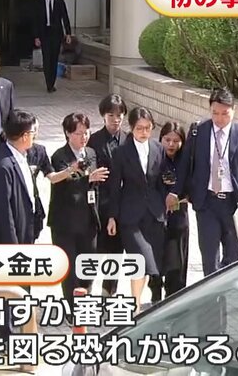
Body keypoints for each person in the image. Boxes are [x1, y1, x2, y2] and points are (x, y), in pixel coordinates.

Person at [166, 88, 238, 276]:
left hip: (233, 204)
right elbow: (185, 165)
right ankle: (212, 292)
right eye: (215, 113)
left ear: (233, 110)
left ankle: (228, 289)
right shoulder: (198, 131)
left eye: (225, 113)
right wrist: (175, 191)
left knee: (233, 257)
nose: (219, 118)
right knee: (210, 259)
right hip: (206, 203)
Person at [49, 113, 109, 323]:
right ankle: (72, 309)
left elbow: (95, 184)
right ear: (67, 133)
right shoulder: (60, 156)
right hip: (65, 221)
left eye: (86, 132)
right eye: (78, 133)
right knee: (70, 268)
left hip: (89, 218)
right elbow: (64, 184)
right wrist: (87, 178)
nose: (83, 137)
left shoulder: (91, 153)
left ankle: (85, 302)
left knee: (88, 265)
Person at [106, 107, 167, 315]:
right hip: (130, 215)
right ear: (131, 128)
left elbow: (161, 181)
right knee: (141, 258)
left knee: (149, 262)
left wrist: (165, 207)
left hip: (154, 213)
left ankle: (138, 303)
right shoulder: (121, 152)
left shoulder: (158, 148)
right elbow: (115, 186)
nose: (144, 132)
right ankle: (135, 306)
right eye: (139, 128)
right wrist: (112, 216)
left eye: (148, 128)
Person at [87, 94, 128, 297]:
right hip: (99, 205)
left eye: (119, 115)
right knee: (95, 252)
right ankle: (86, 290)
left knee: (116, 253)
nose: (115, 119)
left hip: (122, 204)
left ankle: (108, 294)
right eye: (111, 115)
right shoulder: (93, 141)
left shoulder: (129, 140)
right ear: (103, 116)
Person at [148, 122, 190, 303]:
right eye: (167, 140)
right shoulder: (153, 158)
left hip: (178, 219)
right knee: (156, 259)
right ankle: (155, 295)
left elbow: (193, 185)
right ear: (161, 139)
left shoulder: (186, 162)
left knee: (177, 263)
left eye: (176, 141)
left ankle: (174, 299)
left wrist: (184, 197)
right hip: (156, 218)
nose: (171, 144)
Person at [0, 109, 39, 245]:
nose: (35, 136)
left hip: (27, 226)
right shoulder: (4, 165)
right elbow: (3, 210)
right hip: (15, 236)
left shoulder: (22, 155)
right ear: (24, 136)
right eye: (33, 133)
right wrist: (12, 244)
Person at [34, 0, 71, 93]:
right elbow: (35, 21)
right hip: (44, 34)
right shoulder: (39, 3)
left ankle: (52, 82)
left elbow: (65, 18)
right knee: (46, 59)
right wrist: (36, 36)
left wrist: (68, 33)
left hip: (56, 34)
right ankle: (48, 83)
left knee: (54, 59)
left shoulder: (60, 2)